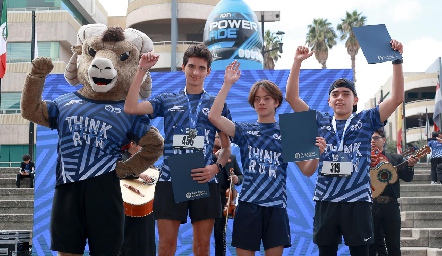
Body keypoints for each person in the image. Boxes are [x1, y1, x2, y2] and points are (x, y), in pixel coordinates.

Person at [285, 40, 404, 256]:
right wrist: (296, 63)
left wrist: (397, 61)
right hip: (326, 200)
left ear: (355, 99)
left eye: (346, 94)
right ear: (329, 101)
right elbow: (292, 98)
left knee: (361, 252)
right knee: (326, 252)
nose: (340, 97)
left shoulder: (367, 120)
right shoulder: (319, 120)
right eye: (335, 94)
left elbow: (396, 98)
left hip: (357, 201)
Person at [124, 43, 232, 256]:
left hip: (204, 179)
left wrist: (216, 168)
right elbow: (131, 107)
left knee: (202, 247)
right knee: (166, 246)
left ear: (208, 71)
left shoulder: (216, 104)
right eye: (191, 66)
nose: (195, 72)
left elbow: (227, 148)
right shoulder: (167, 100)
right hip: (170, 179)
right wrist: (142, 69)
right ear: (183, 67)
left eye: (201, 68)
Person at [208, 62, 326, 255]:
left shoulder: (288, 132)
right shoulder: (245, 130)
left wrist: (317, 156)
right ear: (253, 103)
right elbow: (214, 117)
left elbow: (307, 170)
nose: (261, 102)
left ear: (277, 102)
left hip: (276, 208)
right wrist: (227, 84)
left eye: (267, 98)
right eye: (257, 99)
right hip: (248, 206)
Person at [369, 128, 417, 256]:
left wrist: (410, 166)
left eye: (375, 138)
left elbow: (407, 178)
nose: (372, 141)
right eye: (370, 138)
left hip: (391, 204)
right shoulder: (364, 159)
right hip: (371, 205)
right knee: (370, 245)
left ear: (383, 140)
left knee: (393, 245)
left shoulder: (395, 158)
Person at [120, 139, 157, 256]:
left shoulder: (148, 164)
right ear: (132, 145)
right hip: (125, 214)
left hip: (145, 214)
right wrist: (138, 173)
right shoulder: (119, 157)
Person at [212, 133, 243, 256]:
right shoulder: (205, 156)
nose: (219, 139)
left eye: (221, 137)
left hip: (225, 198)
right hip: (208, 197)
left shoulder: (232, 157)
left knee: (220, 231)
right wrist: (215, 158)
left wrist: (237, 179)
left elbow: (241, 176)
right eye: (217, 137)